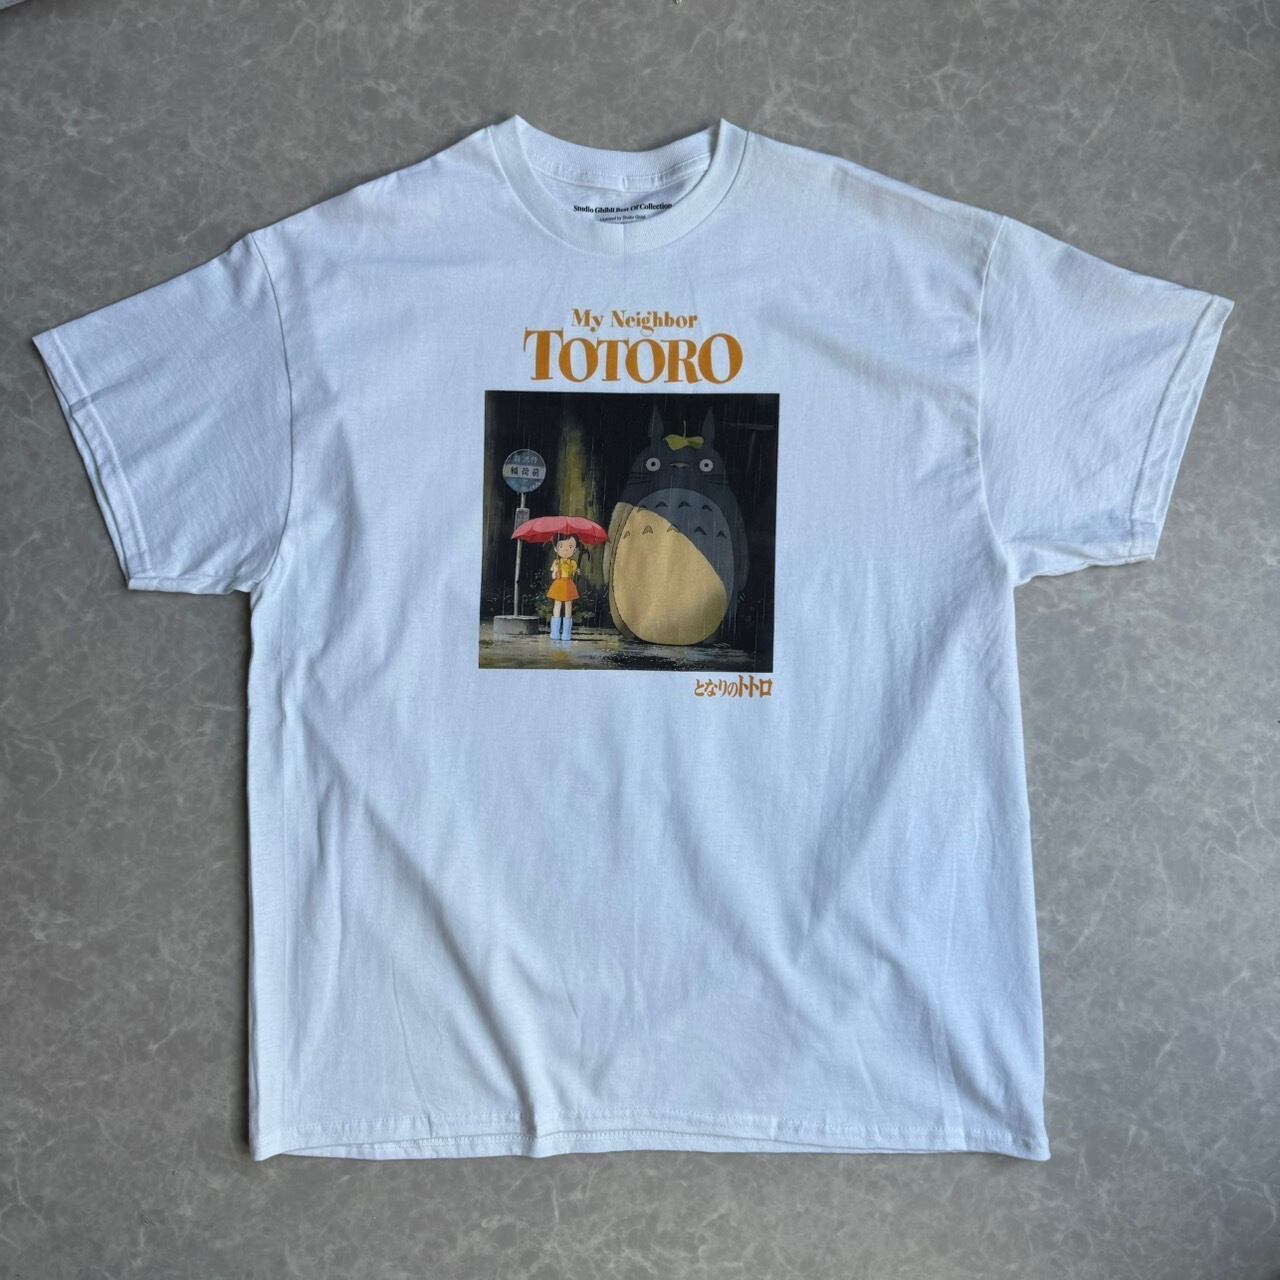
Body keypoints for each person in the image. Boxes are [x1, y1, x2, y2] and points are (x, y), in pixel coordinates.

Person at [546, 534, 580, 642]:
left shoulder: (572, 563)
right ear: (556, 549)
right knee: (558, 604)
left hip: (568, 584)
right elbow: (553, 576)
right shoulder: (556, 562)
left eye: (570, 547)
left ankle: (566, 633)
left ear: (574, 550)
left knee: (568, 605)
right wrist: (556, 571)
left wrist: (576, 571)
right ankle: (555, 632)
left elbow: (573, 574)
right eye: (561, 546)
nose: (566, 550)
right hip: (559, 584)